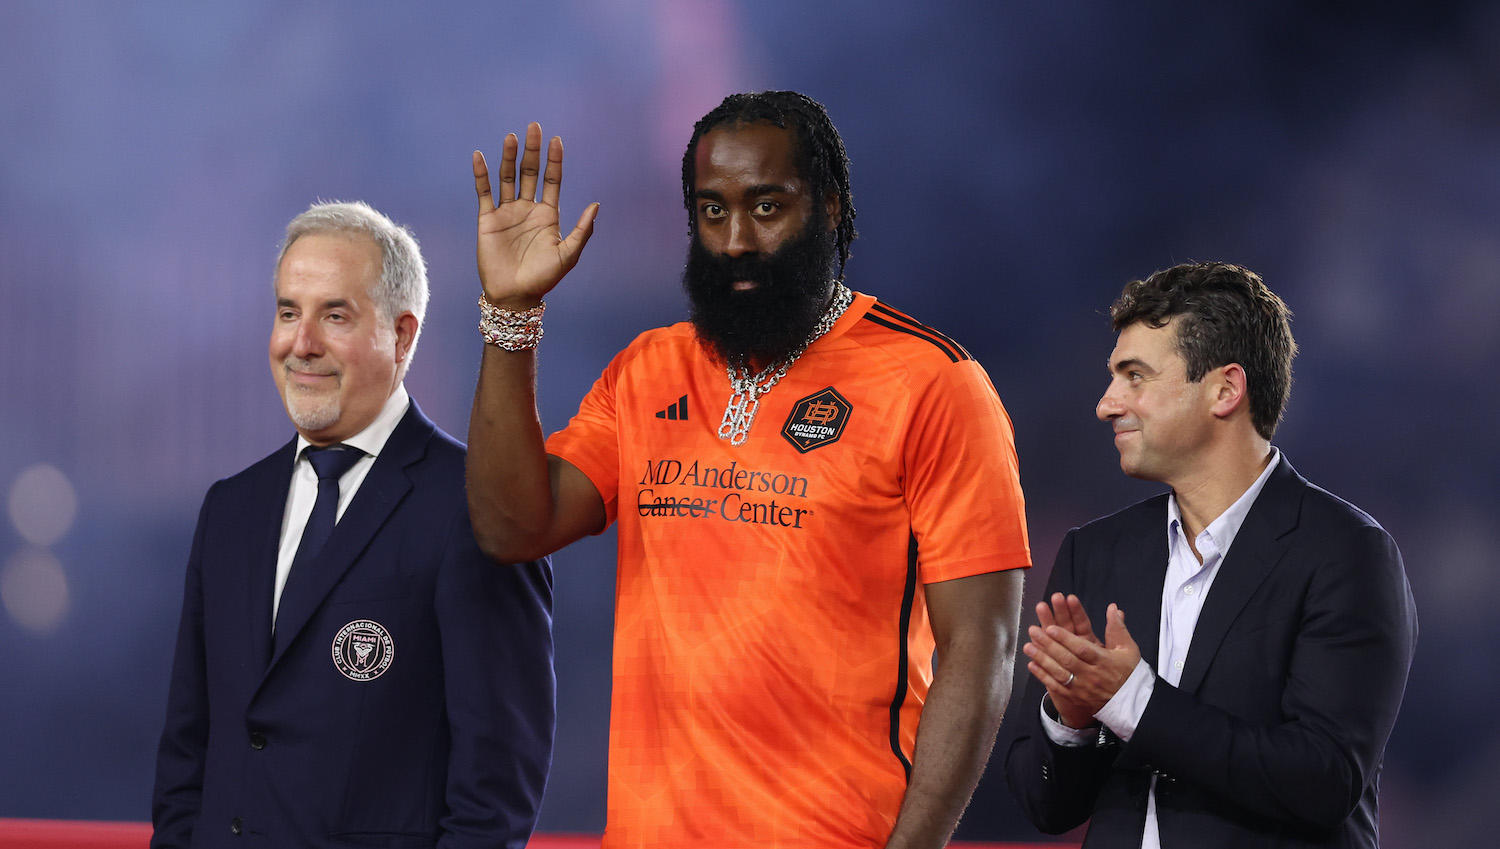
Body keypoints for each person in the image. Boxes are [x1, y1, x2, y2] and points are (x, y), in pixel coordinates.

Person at [464, 91, 1031, 848]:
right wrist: (511, 316)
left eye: (768, 208)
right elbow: (512, 526)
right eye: (713, 211)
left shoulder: (934, 383)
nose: (735, 239)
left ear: (829, 208)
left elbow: (981, 647)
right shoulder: (648, 370)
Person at [151, 201, 556, 848]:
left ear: (401, 336)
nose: (300, 342)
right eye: (288, 312)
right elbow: (187, 756)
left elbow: (495, 793)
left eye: (334, 315)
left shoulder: (477, 509)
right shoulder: (229, 508)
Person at [1003, 262, 1417, 848]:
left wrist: (1131, 702)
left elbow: (1324, 777)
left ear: (1225, 389)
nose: (1106, 403)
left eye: (1135, 376)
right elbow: (1043, 805)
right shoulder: (1093, 553)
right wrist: (1072, 722)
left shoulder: (1347, 553)